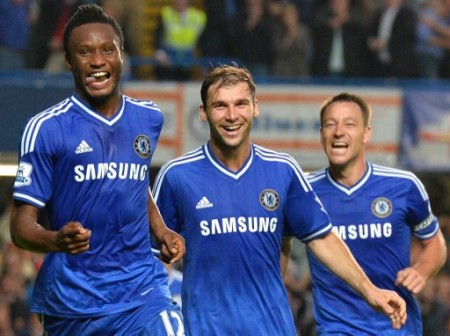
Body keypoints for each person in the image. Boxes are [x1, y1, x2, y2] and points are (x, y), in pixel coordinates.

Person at [152, 64, 407, 335]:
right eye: (219, 106)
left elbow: (321, 237)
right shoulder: (177, 176)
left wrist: (371, 291)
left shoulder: (282, 170)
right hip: (206, 329)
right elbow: (149, 257)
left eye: (240, 104)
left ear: (255, 107)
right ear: (203, 112)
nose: (231, 115)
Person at [10, 4, 185, 336]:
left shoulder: (148, 117)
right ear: (69, 61)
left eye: (108, 49)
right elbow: (21, 227)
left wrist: (161, 230)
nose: (97, 60)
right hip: (73, 302)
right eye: (85, 52)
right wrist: (55, 239)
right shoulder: (46, 128)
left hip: (141, 291)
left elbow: (134, 182)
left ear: (122, 55)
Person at [307, 92, 448, 335]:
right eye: (330, 124)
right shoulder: (304, 191)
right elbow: (280, 244)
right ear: (321, 134)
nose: (338, 131)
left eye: (349, 124)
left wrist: (421, 271)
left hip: (397, 327)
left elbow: (435, 243)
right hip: (336, 328)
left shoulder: (403, 186)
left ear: (367, 133)